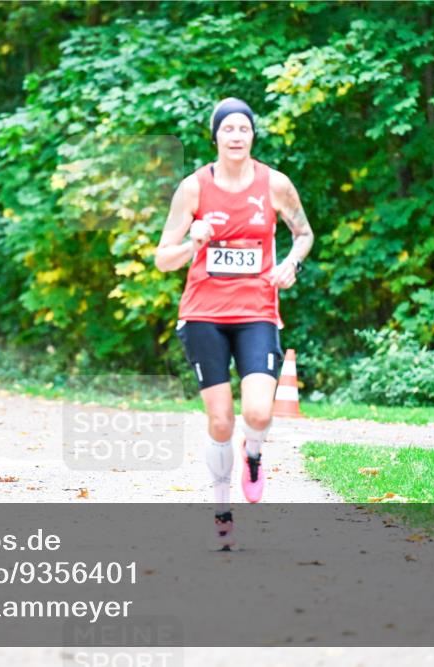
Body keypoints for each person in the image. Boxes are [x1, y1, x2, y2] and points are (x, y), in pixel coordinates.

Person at [154, 98, 314, 549]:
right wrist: (192, 240)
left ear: (253, 135)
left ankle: (255, 453)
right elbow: (162, 258)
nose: (237, 135)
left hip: (258, 312)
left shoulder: (276, 185)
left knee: (259, 413)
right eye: (229, 129)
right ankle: (223, 508)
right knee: (221, 421)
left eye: (244, 128)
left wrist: (291, 265)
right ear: (216, 136)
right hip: (203, 314)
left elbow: (303, 233)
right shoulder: (193, 189)